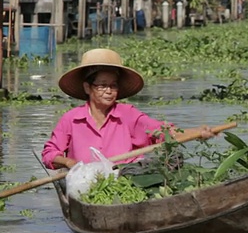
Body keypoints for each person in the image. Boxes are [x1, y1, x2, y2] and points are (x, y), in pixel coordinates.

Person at [42, 48, 218, 170]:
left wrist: (197, 132)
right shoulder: (71, 119)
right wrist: (68, 163)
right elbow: (49, 154)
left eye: (113, 85)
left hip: (125, 178)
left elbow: (162, 132)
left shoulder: (128, 115)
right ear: (88, 88)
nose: (109, 91)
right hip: (83, 181)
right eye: (102, 85)